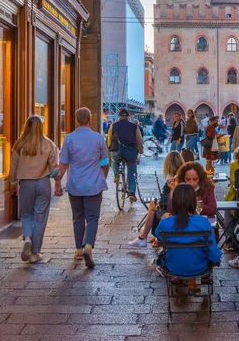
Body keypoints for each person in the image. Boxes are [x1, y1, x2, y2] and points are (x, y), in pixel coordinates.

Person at [55, 107, 109, 268]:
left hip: (75, 185)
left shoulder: (69, 138)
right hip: (93, 185)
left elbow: (63, 164)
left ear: (76, 120)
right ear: (90, 119)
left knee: (77, 217)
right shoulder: (98, 138)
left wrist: (58, 182)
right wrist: (102, 176)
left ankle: (79, 249)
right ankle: (88, 246)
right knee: (92, 218)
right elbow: (105, 162)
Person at [9, 115, 58, 263]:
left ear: (26, 127)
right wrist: (58, 181)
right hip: (43, 183)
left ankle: (27, 238)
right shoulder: (49, 144)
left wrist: (12, 182)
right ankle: (35, 252)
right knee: (40, 217)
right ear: (41, 127)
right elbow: (54, 168)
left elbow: (13, 167)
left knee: (27, 214)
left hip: (25, 184)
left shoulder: (19, 144)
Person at [154, 184, 221, 286]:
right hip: (199, 267)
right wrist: (216, 258)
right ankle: (193, 283)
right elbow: (213, 252)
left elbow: (158, 237)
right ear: (193, 202)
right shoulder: (203, 222)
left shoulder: (165, 223)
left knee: (160, 255)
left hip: (173, 267)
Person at [128, 150, 184, 248]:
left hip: (173, 211)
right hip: (177, 208)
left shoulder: (171, 180)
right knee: (153, 206)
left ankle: (144, 237)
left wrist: (158, 203)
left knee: (153, 207)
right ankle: (149, 237)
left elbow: (166, 202)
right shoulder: (182, 175)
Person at [110, 108, 143, 202]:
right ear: (128, 117)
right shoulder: (134, 126)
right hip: (129, 152)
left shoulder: (113, 125)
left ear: (119, 117)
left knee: (114, 161)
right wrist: (141, 150)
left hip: (116, 150)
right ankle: (132, 192)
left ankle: (116, 174)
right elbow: (139, 139)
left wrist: (110, 149)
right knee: (132, 171)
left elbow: (109, 139)